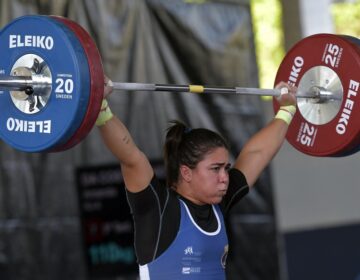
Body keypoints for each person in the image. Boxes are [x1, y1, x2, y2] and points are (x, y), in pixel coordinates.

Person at [96, 78, 297, 279]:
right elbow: (130, 156)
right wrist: (100, 106)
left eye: (226, 168)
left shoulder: (218, 203)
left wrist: (287, 109)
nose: (224, 178)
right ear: (186, 172)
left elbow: (256, 153)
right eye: (215, 169)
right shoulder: (158, 209)